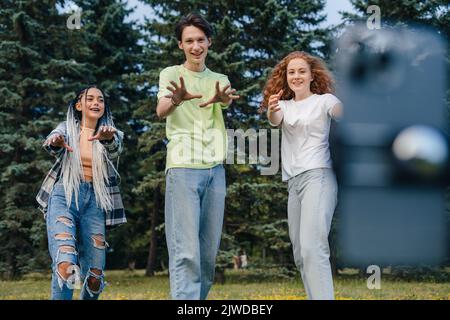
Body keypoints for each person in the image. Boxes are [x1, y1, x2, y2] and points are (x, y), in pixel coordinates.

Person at [156, 13, 239, 300]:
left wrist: (224, 99)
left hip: (215, 169)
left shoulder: (219, 79)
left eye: (200, 40)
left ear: (209, 42)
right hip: (182, 166)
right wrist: (177, 98)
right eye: (189, 41)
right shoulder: (170, 74)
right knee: (186, 250)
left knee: (207, 254)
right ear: (180, 45)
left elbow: (227, 99)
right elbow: (161, 110)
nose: (195, 46)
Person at [261, 51, 343, 300]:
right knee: (300, 253)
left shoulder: (324, 100)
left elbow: (339, 110)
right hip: (293, 183)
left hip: (318, 176)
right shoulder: (283, 106)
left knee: (312, 248)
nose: (296, 76)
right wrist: (272, 108)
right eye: (291, 72)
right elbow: (274, 120)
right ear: (286, 77)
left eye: (301, 71)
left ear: (311, 75)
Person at [36, 85, 126, 300]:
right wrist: (56, 142)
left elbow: (115, 149)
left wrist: (107, 138)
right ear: (79, 105)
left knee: (95, 276)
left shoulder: (111, 131)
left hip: (95, 201)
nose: (96, 103)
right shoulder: (66, 128)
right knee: (66, 264)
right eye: (90, 99)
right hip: (64, 195)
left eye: (101, 100)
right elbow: (53, 141)